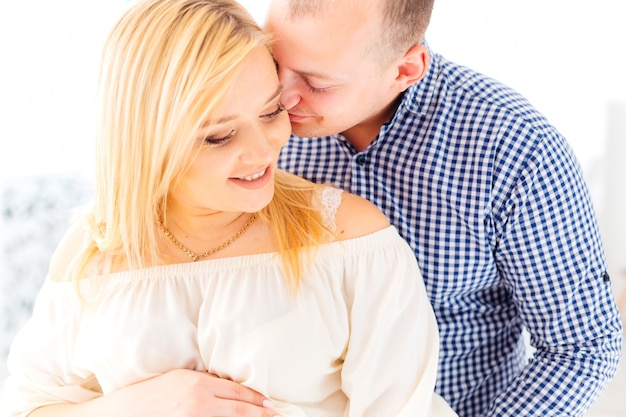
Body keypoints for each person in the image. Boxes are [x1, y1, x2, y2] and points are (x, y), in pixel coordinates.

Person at [0, 0, 458, 416]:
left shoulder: (351, 242)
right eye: (220, 136)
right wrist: (138, 406)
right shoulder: (95, 250)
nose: (264, 150)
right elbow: (27, 406)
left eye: (271, 111)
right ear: (146, 142)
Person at [264, 0, 624, 416]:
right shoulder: (246, 112)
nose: (281, 99)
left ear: (405, 71)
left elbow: (581, 346)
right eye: (274, 61)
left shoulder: (516, 151)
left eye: (316, 83)